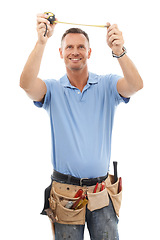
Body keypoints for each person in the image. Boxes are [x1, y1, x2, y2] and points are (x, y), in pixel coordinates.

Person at [20, 13, 143, 240]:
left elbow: (136, 85)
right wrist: (41, 42)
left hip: (101, 193)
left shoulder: (106, 84)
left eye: (80, 47)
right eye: (69, 47)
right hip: (65, 194)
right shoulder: (53, 89)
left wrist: (120, 50)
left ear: (89, 52)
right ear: (61, 53)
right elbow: (26, 84)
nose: (74, 51)